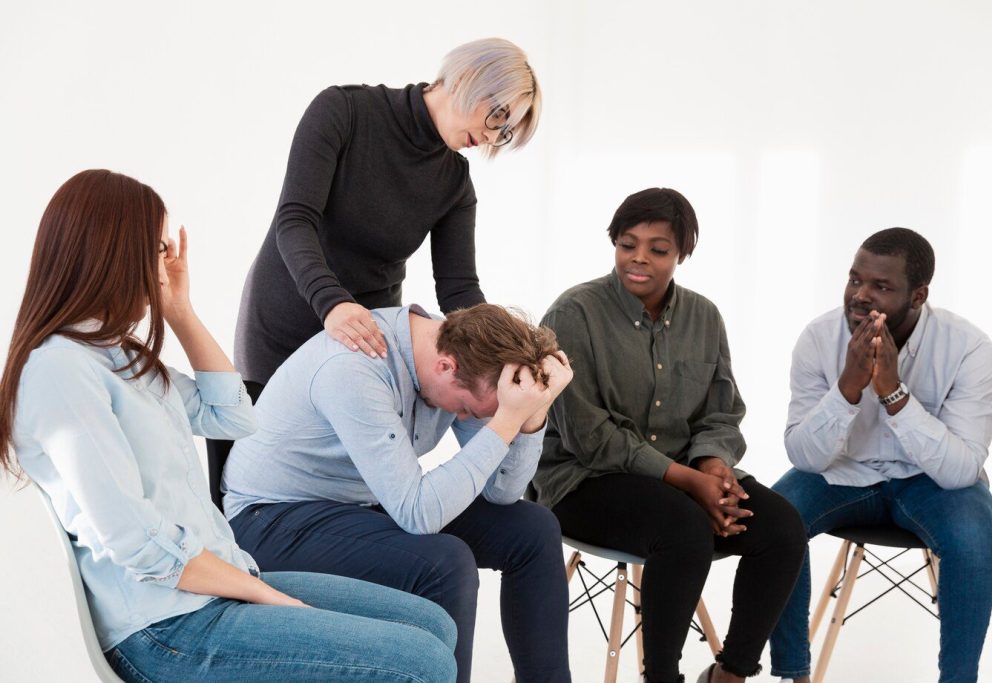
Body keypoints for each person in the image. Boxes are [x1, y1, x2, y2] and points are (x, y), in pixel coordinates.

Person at [0, 170, 457, 682]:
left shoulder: (117, 357)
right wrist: (264, 595)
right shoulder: (60, 371)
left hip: (214, 589)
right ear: (116, 250)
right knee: (422, 662)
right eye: (157, 248)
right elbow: (136, 543)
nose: (166, 264)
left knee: (432, 625)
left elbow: (234, 416)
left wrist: (179, 309)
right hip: (164, 629)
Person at [530, 188, 806, 683]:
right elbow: (588, 436)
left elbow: (721, 413)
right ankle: (661, 677)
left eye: (658, 249)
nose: (639, 259)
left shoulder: (704, 317)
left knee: (783, 527)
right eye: (627, 244)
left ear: (681, 254)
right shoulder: (573, 315)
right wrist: (687, 481)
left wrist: (714, 469)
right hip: (585, 479)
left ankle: (731, 674)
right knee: (683, 529)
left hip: (683, 476)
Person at [222, 303, 574, 683]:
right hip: (271, 521)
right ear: (446, 367)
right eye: (468, 410)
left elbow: (503, 492)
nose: (469, 420)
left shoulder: (467, 360)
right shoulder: (353, 367)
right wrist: (505, 421)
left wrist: (531, 415)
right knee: (445, 562)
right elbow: (417, 513)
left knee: (532, 529)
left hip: (362, 502)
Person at [235, 37, 542, 386]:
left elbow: (459, 290)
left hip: (364, 342)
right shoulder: (344, 110)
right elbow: (294, 221)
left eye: (504, 131)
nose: (492, 136)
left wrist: (513, 348)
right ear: (466, 77)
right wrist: (333, 304)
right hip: (284, 323)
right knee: (257, 435)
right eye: (498, 115)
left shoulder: (455, 182)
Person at [768, 228, 992, 683]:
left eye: (880, 287)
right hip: (842, 474)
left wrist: (893, 393)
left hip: (931, 484)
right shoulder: (818, 338)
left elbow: (962, 470)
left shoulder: (969, 348)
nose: (859, 295)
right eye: (855, 279)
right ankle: (794, 674)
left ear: (918, 295)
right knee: (777, 519)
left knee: (973, 534)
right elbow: (804, 455)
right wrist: (848, 388)